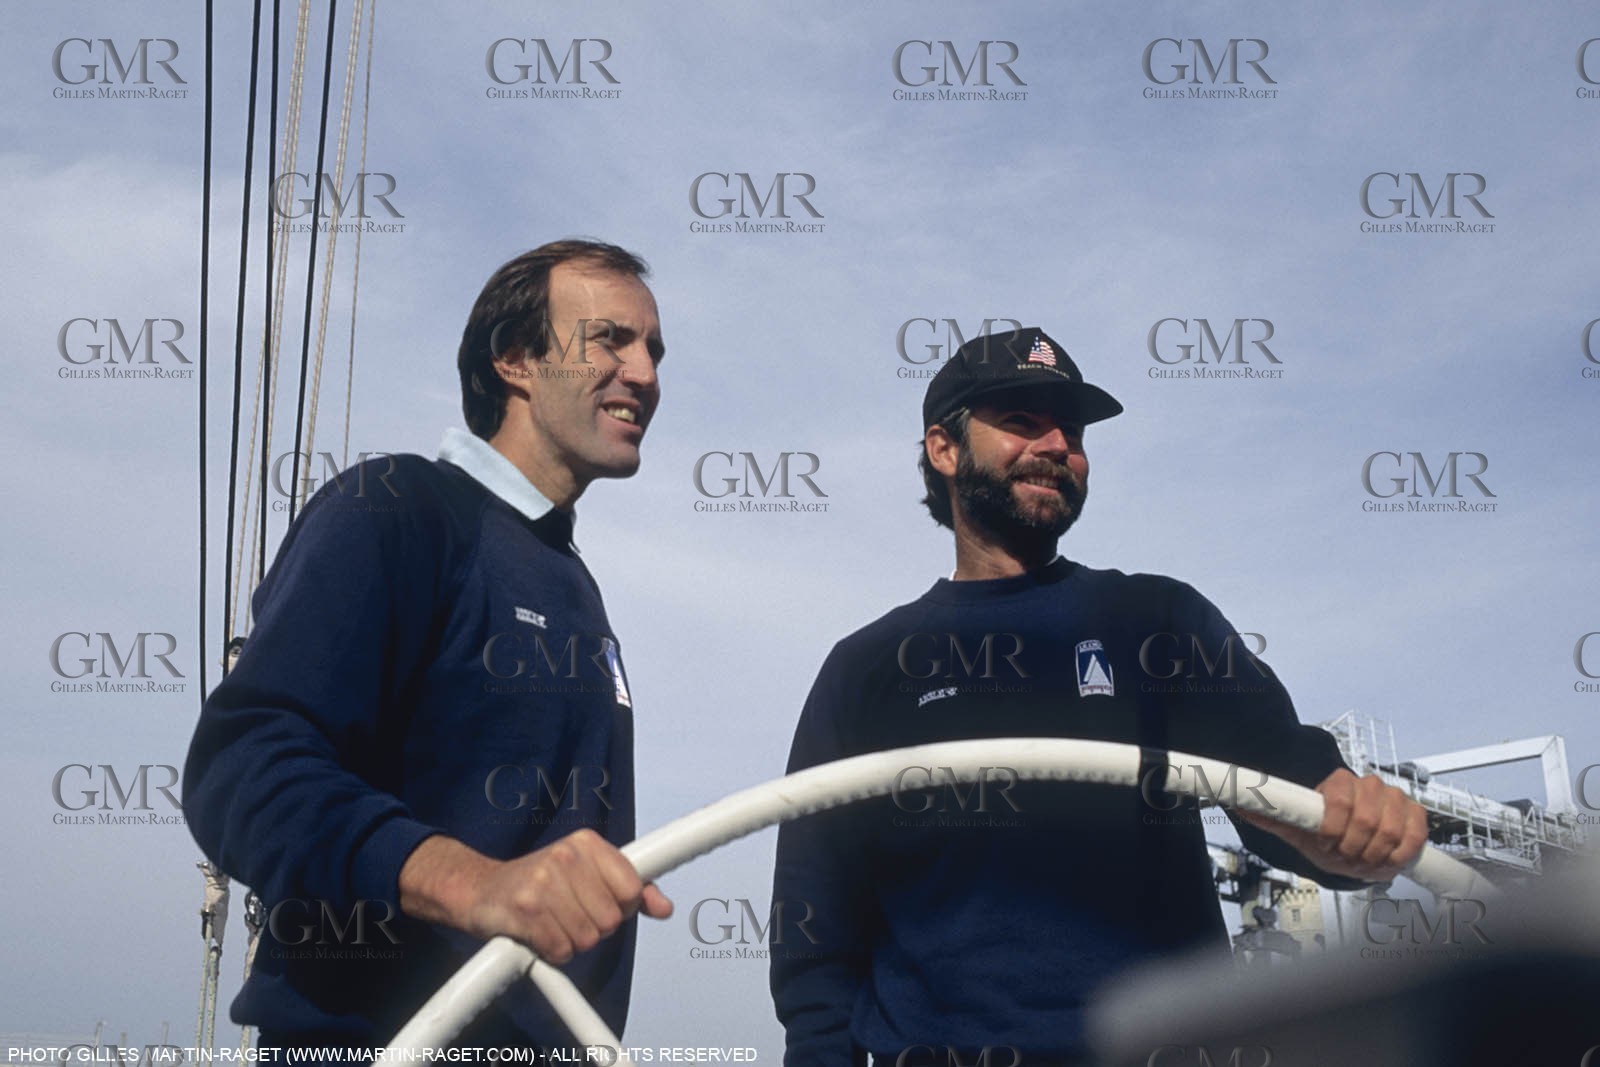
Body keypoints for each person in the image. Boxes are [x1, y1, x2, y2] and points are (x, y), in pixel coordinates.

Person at [768, 327, 1429, 1067]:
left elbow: (1285, 783)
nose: (1057, 445)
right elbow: (816, 937)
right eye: (1022, 421)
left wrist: (1350, 829)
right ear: (943, 450)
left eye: (1073, 432)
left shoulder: (1157, 621)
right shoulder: (867, 669)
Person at [184, 239, 672, 1056]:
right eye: (609, 340)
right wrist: (474, 883)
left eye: (653, 350)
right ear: (516, 359)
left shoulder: (573, 583)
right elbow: (242, 767)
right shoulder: (396, 511)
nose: (646, 373)